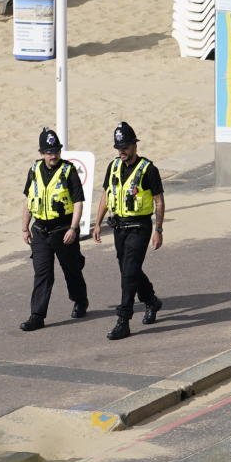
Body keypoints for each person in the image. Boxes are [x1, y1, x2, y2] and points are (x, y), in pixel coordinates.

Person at [93, 121, 165, 340]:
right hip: (119, 227)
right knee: (128, 271)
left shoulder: (148, 170)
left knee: (129, 273)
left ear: (134, 145)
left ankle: (123, 320)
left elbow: (159, 202)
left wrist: (158, 229)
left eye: (125, 146)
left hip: (139, 227)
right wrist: (97, 222)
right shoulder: (113, 166)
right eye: (118, 147)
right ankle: (151, 300)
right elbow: (106, 195)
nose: (121, 150)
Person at [19, 127, 89, 331]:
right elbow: (28, 200)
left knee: (71, 270)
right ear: (41, 153)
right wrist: (25, 227)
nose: (54, 155)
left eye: (56, 151)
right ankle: (37, 316)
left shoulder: (68, 170)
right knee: (43, 274)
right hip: (40, 230)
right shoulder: (34, 170)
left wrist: (74, 228)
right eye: (49, 152)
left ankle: (80, 300)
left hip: (63, 230)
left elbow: (78, 202)